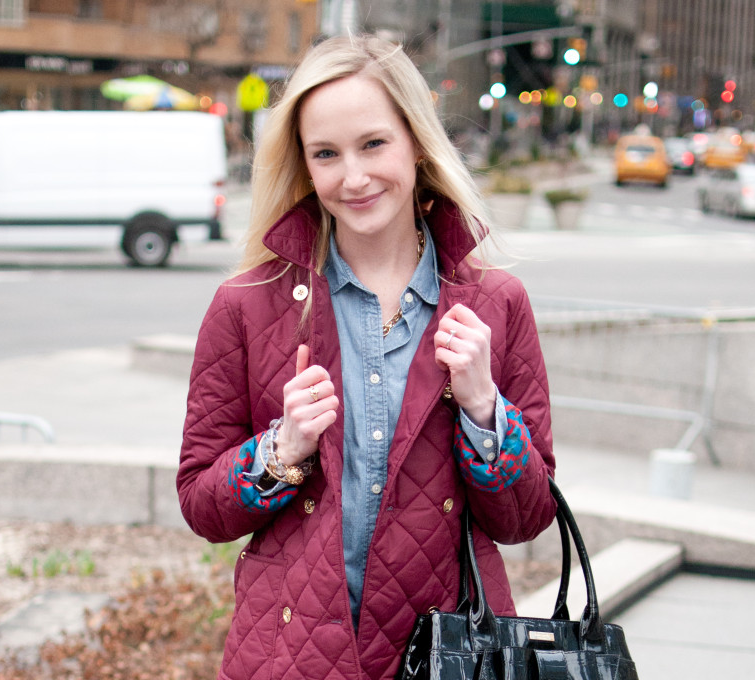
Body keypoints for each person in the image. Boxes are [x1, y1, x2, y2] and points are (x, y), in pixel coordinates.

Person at [178, 35, 557, 680]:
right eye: (326, 154)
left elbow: (525, 518)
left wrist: (483, 408)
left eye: (373, 144)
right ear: (303, 165)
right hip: (291, 656)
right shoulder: (247, 305)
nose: (353, 177)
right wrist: (279, 451)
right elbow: (201, 505)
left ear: (415, 140)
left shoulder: (496, 303)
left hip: (447, 653)